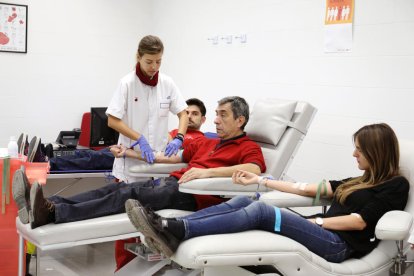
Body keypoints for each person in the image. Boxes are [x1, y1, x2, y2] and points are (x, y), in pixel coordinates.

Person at [126, 123, 409, 262]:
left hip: (339, 244)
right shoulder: (359, 180)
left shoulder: (395, 185)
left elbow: (360, 221)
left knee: (262, 212)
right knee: (247, 199)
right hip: (324, 232)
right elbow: (307, 188)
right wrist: (261, 181)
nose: (353, 154)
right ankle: (172, 227)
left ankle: (175, 229)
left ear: (376, 151)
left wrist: (314, 223)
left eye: (359, 149)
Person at [14, 96, 266, 231]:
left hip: (193, 196)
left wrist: (206, 173)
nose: (216, 121)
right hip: (172, 184)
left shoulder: (248, 147)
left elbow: (254, 170)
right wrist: (129, 153)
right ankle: (48, 205)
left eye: (223, 115)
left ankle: (54, 213)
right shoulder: (207, 143)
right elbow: (168, 158)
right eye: (216, 115)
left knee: (129, 194)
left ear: (240, 120)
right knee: (116, 188)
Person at [106, 35, 189, 183]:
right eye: (149, 62)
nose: (154, 67)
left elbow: (183, 113)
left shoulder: (167, 83)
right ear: (138, 57)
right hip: (131, 161)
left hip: (159, 161)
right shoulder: (127, 84)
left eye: (158, 61)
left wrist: (179, 138)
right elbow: (112, 121)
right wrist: (139, 138)